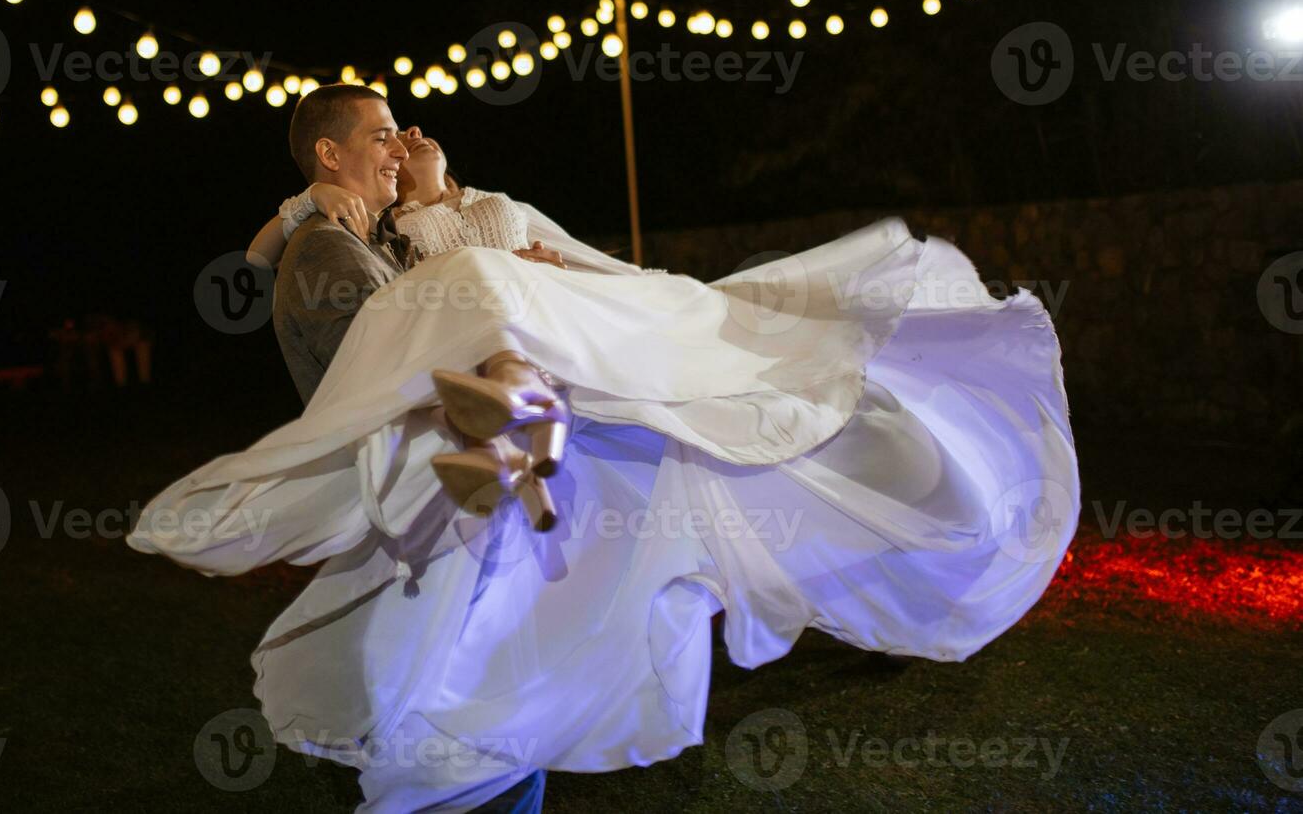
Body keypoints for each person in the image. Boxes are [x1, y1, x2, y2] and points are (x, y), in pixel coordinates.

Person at [130, 83, 1080, 813]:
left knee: (505, 669)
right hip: (439, 489)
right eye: (379, 133)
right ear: (329, 153)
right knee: (472, 682)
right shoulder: (334, 249)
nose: (399, 145)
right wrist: (435, 257)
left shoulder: (365, 230)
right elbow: (385, 362)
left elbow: (424, 307)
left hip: (485, 470)